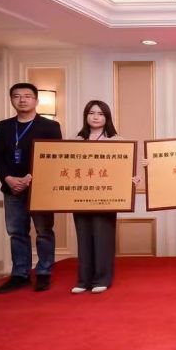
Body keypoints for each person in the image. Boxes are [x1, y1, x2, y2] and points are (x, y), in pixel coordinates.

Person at [0, 82, 62, 293]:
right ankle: (20, 274)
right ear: (11, 100)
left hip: (40, 188)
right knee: (17, 232)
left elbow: (55, 156)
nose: (22, 100)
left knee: (43, 231)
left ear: (36, 100)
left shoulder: (50, 126)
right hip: (12, 189)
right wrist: (8, 179)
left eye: (27, 96)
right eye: (17, 96)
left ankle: (44, 272)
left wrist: (32, 177)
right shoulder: (3, 126)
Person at [70, 101, 139, 294]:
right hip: (80, 196)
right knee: (83, 237)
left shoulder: (117, 140)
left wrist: (131, 179)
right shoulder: (76, 141)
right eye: (91, 113)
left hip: (106, 196)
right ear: (86, 116)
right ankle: (83, 280)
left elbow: (124, 169)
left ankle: (102, 278)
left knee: (103, 237)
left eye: (100, 114)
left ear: (106, 117)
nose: (95, 117)